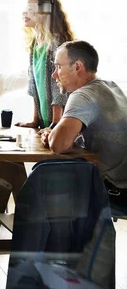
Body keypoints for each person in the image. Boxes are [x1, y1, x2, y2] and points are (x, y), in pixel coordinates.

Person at [41, 40, 127, 208]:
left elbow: (58, 145)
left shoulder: (83, 95)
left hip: (116, 190)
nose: (54, 75)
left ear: (77, 67)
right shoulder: (111, 87)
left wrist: (53, 136)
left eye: (58, 67)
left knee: (44, 176)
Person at [16, 0, 75, 130]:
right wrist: (35, 121)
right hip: (46, 123)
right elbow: (34, 84)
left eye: (30, 9)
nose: (24, 13)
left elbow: (60, 85)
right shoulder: (35, 44)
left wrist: (56, 123)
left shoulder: (57, 43)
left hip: (61, 124)